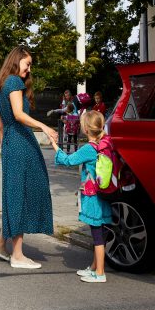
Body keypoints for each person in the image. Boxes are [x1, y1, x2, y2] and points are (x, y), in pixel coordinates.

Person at [0, 46, 58, 269]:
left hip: (10, 144)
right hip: (21, 142)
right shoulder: (14, 83)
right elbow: (19, 115)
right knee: (23, 194)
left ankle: (0, 244)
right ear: (17, 60)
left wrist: (6, 151)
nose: (29, 70)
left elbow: (0, 127)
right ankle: (18, 256)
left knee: (14, 193)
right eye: (27, 64)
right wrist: (44, 127)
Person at [51, 110, 112, 283]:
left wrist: (55, 145)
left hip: (93, 198)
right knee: (102, 234)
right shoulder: (106, 143)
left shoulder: (89, 149)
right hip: (106, 196)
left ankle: (100, 273)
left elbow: (68, 161)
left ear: (85, 129)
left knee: (97, 236)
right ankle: (94, 267)